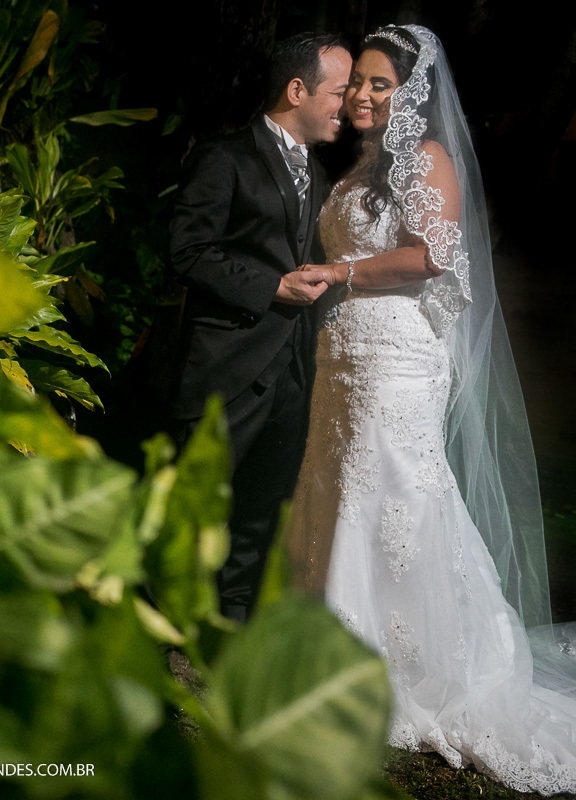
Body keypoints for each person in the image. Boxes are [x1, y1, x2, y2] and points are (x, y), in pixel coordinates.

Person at [287, 24, 576, 794]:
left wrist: (341, 269)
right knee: (336, 487)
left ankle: (395, 666)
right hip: (346, 355)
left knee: (396, 498)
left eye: (381, 84)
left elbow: (432, 256)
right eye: (359, 83)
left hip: (400, 359)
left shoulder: (428, 160)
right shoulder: (360, 171)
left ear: (410, 94)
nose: (362, 95)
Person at [166, 33, 350, 623]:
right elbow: (186, 251)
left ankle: (234, 622)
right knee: (195, 506)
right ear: (298, 90)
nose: (344, 107)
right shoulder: (224, 158)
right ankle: (167, 630)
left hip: (294, 367)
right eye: (338, 92)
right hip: (229, 362)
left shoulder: (320, 174)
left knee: (261, 507)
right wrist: (272, 287)